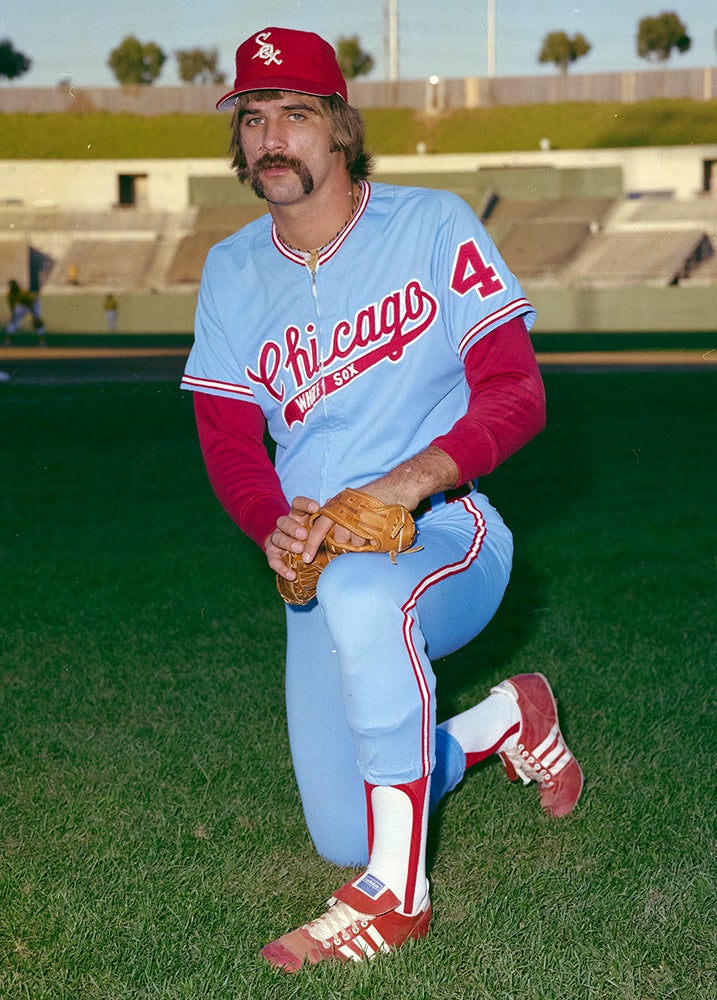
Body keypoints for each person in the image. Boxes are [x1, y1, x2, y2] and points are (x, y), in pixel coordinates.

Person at [181, 27, 584, 971]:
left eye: (296, 114)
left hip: (444, 533)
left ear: (341, 131)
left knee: (370, 597)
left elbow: (516, 391)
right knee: (343, 824)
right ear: (239, 142)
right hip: (321, 564)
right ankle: (503, 720)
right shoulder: (233, 271)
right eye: (253, 118)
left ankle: (397, 896)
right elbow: (228, 438)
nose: (272, 137)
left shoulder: (431, 224)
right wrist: (268, 524)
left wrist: (413, 477)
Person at [3, 280, 47, 346]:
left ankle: (42, 342)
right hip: (22, 305)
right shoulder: (10, 295)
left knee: (37, 322)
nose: (12, 288)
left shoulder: (23, 293)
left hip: (34, 303)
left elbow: (31, 304)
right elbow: (12, 307)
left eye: (13, 286)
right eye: (11, 287)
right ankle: (8, 341)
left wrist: (34, 316)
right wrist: (13, 316)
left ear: (16, 287)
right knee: (12, 322)